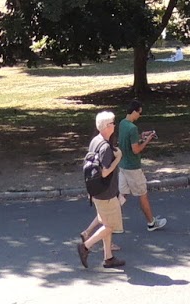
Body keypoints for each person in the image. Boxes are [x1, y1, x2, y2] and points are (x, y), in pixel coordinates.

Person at [78, 110, 125, 270]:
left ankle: (108, 258)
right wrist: (118, 159)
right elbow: (105, 172)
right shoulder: (105, 147)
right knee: (110, 226)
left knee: (106, 224)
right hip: (106, 194)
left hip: (96, 191)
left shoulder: (96, 141)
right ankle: (85, 246)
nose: (114, 125)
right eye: (112, 123)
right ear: (106, 126)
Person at [117, 99, 167, 230]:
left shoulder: (122, 123)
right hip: (133, 167)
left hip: (122, 165)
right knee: (142, 194)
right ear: (134, 111)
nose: (140, 115)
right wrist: (147, 140)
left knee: (122, 195)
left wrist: (141, 136)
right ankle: (151, 222)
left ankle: (112, 222)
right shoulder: (132, 128)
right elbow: (136, 149)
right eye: (139, 113)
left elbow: (128, 141)